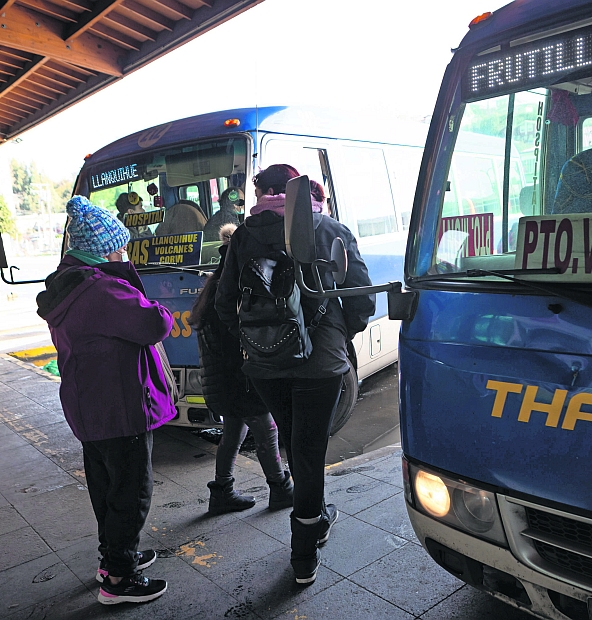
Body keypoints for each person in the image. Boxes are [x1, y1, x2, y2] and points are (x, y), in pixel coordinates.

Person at [214, 164, 376, 585]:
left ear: (261, 194)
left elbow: (224, 303)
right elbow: (362, 300)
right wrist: (338, 335)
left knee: (294, 441)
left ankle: (316, 515)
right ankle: (304, 549)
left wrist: (258, 341)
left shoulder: (243, 237)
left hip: (265, 365)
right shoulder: (330, 229)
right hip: (320, 365)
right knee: (309, 449)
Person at [36, 196, 174, 605]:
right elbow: (155, 322)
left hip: (88, 406)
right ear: (105, 249)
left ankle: (113, 557)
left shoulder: (68, 283)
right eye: (120, 246)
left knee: (106, 488)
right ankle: (119, 579)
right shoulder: (102, 289)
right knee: (132, 492)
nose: (124, 251)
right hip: (120, 405)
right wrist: (123, 272)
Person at [190, 222, 294, 514]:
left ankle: (222, 491)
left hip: (224, 382)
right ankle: (280, 488)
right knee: (267, 430)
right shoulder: (234, 289)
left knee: (234, 432)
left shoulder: (216, 285)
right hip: (240, 381)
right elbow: (238, 343)